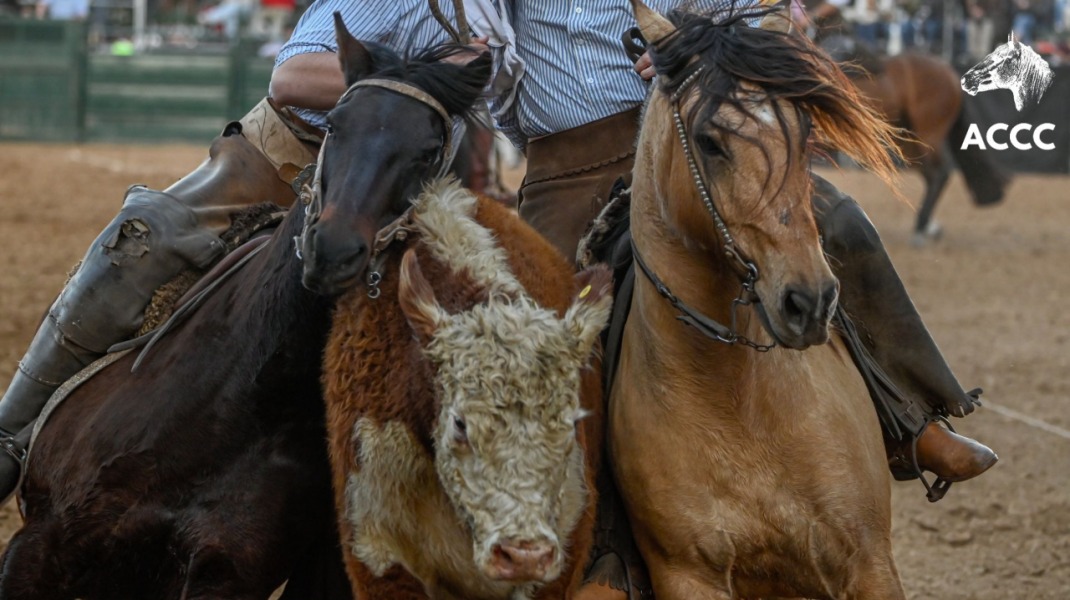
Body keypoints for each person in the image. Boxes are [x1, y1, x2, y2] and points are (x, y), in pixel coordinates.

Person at [0, 0, 480, 506]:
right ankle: (10, 432)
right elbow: (291, 78)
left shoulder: (513, 16)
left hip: (402, 195)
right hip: (281, 160)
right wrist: (414, 88)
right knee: (143, 237)